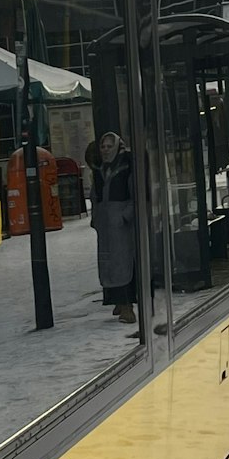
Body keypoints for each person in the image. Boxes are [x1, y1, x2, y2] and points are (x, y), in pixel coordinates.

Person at [89, 132, 137, 325]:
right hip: (106, 222)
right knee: (108, 263)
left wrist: (125, 216)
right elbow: (95, 195)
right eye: (103, 146)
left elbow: (136, 195)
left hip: (120, 223)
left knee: (122, 262)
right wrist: (96, 218)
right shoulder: (100, 169)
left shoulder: (126, 166)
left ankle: (127, 306)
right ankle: (117, 300)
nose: (106, 150)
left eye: (110, 146)